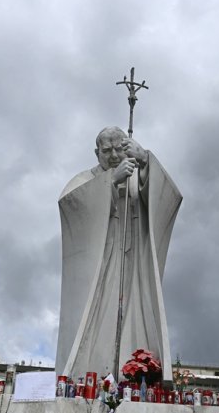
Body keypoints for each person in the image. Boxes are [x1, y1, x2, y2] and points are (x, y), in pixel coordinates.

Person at [56, 126, 182, 381]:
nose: (113, 155)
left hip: (134, 262)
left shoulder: (137, 174)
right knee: (98, 316)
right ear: (97, 153)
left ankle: (133, 374)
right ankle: (89, 375)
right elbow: (70, 204)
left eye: (119, 149)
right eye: (106, 150)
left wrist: (145, 160)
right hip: (101, 263)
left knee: (136, 314)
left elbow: (169, 197)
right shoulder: (85, 179)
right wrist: (110, 181)